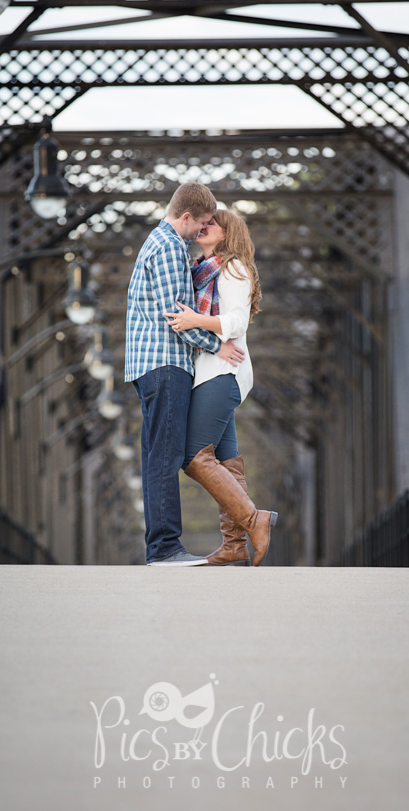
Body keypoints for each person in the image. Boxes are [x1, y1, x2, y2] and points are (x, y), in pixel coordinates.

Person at [124, 183, 245, 567]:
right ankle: (165, 548)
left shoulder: (161, 244)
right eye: (203, 222)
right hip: (165, 363)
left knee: (158, 455)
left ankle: (163, 547)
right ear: (187, 216)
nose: (202, 230)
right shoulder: (170, 248)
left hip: (153, 365)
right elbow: (177, 317)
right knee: (167, 455)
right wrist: (218, 346)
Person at [163, 208, 278, 566]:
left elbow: (236, 321)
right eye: (202, 221)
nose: (203, 226)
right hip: (210, 372)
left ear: (228, 234)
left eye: (212, 223)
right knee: (227, 463)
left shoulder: (234, 268)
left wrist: (195, 320)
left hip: (222, 375)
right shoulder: (204, 270)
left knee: (194, 458)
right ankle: (234, 545)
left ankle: (253, 519)